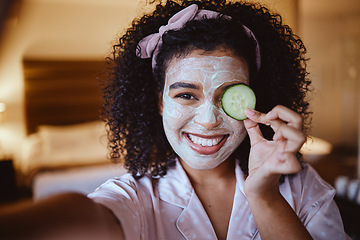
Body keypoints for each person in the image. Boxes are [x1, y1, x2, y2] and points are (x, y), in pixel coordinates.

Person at [0, 0, 349, 239]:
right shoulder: (133, 196)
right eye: (186, 95)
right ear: (159, 102)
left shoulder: (301, 185)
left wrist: (265, 196)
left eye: (229, 96)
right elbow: (91, 217)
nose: (209, 120)